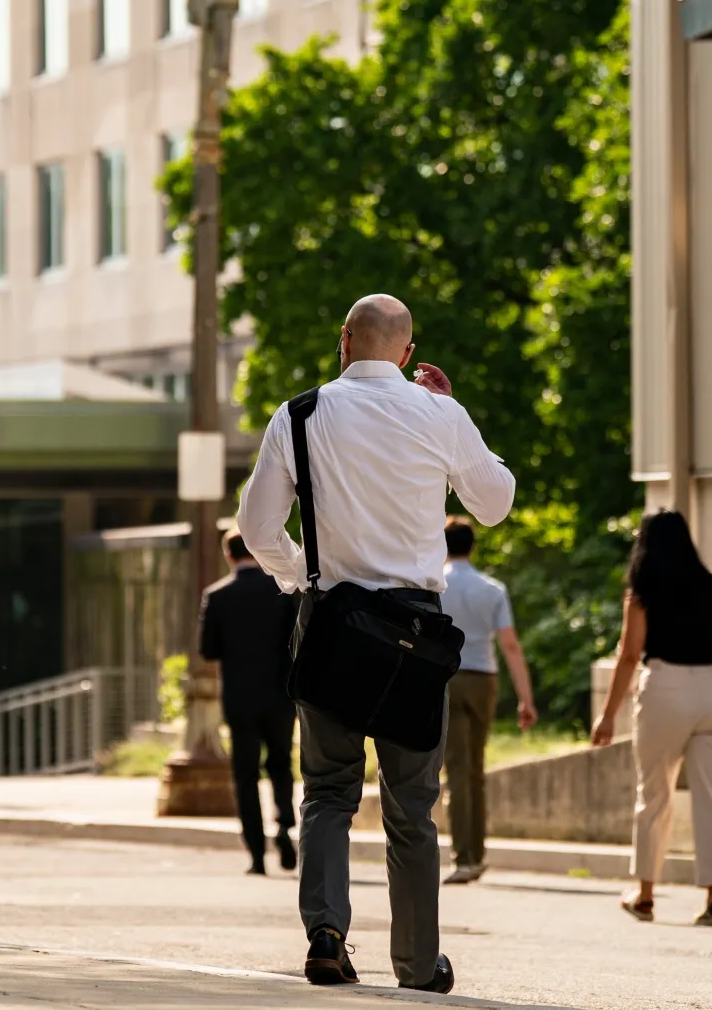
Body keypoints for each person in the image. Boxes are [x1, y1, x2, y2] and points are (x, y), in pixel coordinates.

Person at [237, 294, 514, 994]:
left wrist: (305, 574)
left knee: (328, 789)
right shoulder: (438, 413)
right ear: (408, 353)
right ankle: (419, 964)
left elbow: (256, 524)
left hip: (332, 621)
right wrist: (457, 413)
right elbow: (495, 500)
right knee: (411, 804)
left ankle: (326, 932)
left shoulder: (299, 414)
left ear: (344, 340)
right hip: (415, 634)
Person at [591, 511, 712, 928]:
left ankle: (646, 894)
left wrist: (607, 715)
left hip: (665, 690)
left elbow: (630, 655)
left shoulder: (642, 593)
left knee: (654, 794)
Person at [437, 516, 537, 884]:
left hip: (444, 679)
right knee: (475, 770)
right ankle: (476, 853)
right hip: (483, 680)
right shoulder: (492, 589)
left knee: (457, 770)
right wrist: (525, 698)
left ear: (443, 545)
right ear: (473, 546)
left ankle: (464, 857)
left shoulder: (434, 585)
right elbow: (509, 645)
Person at [199, 530, 301, 876]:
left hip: (240, 698)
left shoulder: (217, 595)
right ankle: (286, 825)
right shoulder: (283, 592)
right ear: (257, 552)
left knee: (245, 774)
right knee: (281, 764)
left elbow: (209, 650)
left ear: (228, 556)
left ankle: (257, 854)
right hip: (280, 695)